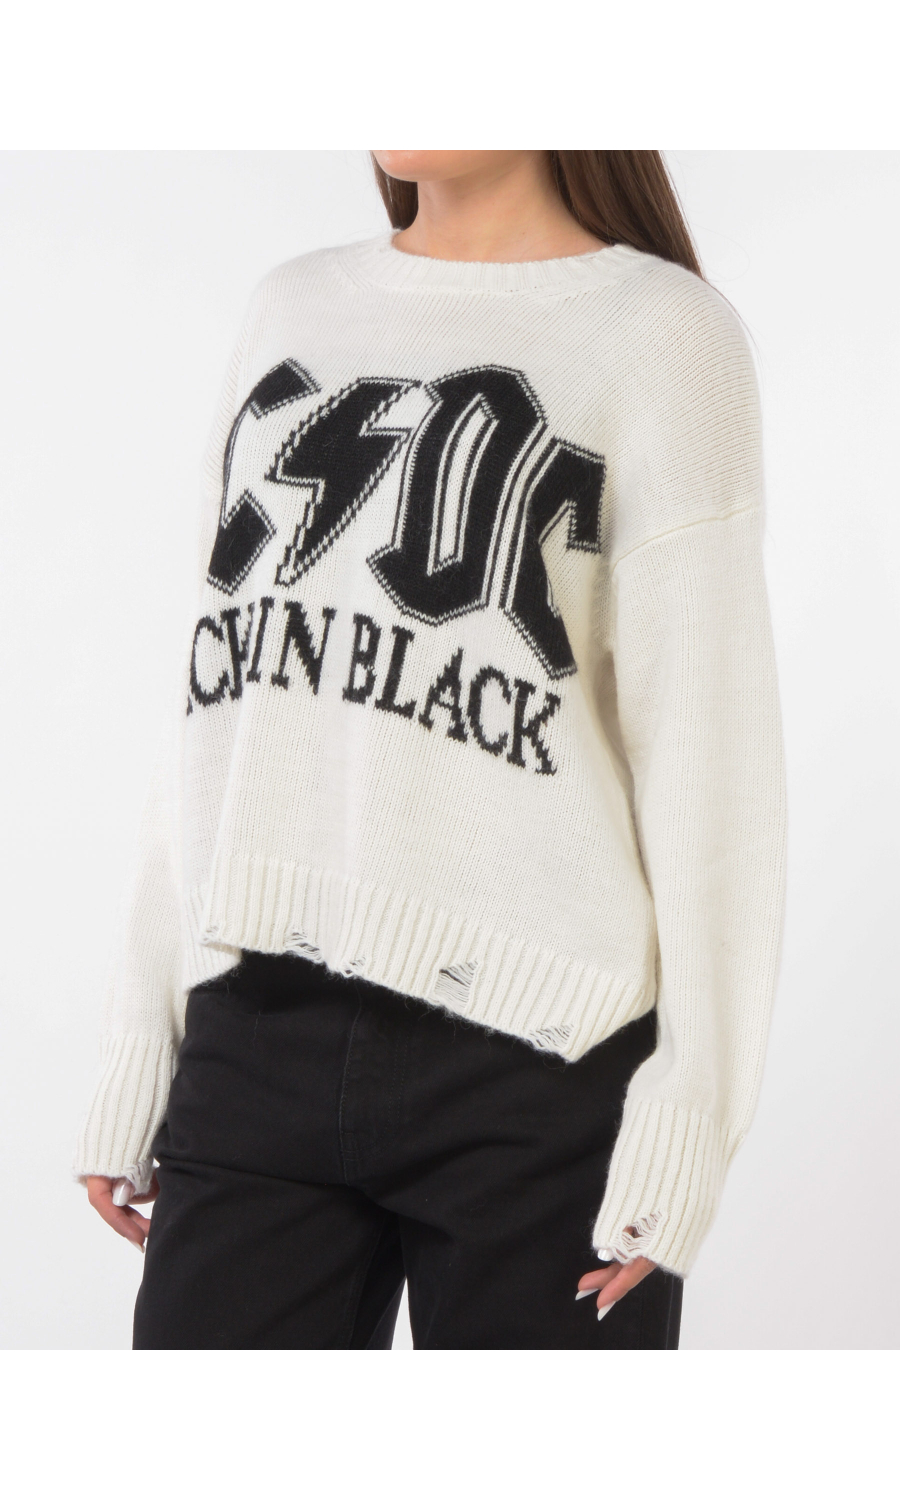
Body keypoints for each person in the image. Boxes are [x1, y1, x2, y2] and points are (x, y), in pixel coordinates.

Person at [75, 150, 786, 1349]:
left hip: (545, 1075)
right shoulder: (291, 307)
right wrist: (144, 1038)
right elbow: (217, 714)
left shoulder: (666, 334)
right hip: (258, 1037)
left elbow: (713, 765)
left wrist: (690, 1115)